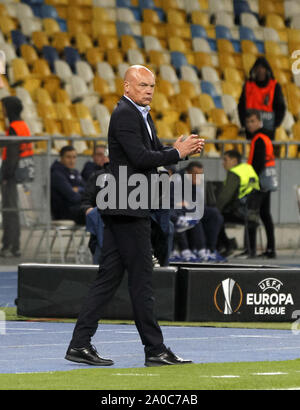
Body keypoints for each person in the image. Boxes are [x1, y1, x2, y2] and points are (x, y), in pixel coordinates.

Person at [65, 65, 204, 367]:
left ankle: (79, 344)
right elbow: (141, 158)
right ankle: (154, 349)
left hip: (127, 205)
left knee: (108, 279)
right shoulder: (126, 114)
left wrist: (181, 151)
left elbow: (152, 153)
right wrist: (176, 153)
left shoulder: (140, 113)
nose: (149, 90)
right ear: (126, 86)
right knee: (141, 280)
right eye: (143, 85)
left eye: (152, 85)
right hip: (128, 207)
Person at [170, 162, 225, 263]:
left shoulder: (196, 181)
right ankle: (197, 250)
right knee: (193, 214)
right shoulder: (177, 179)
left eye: (200, 174)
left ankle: (210, 249)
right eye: (196, 174)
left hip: (191, 208)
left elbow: (198, 201)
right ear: (188, 172)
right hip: (178, 209)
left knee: (214, 214)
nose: (199, 176)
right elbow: (170, 198)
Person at [0, 96, 33, 257]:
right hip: (23, 172)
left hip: (12, 175)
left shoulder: (13, 127)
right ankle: (14, 245)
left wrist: (5, 176)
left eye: (4, 107)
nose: (2, 111)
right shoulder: (23, 125)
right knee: (14, 211)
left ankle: (9, 246)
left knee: (10, 211)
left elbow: (12, 155)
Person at [216, 150, 261, 258]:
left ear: (234, 161)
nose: (223, 163)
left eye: (225, 160)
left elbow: (225, 196)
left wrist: (215, 208)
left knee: (216, 217)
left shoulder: (234, 172)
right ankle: (250, 250)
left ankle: (226, 245)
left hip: (241, 212)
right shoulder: (248, 168)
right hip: (254, 212)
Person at [246, 109, 277, 258]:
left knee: (252, 214)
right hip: (267, 181)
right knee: (265, 215)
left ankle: (251, 249)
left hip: (259, 183)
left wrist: (251, 181)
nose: (250, 124)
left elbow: (258, 163)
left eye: (252, 121)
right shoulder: (264, 137)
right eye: (248, 122)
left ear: (259, 121)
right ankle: (271, 248)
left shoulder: (259, 138)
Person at [238, 56, 286, 141]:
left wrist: (275, 125)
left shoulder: (274, 86)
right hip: (250, 129)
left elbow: (281, 107)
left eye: (263, 68)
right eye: (258, 68)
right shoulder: (248, 85)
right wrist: (244, 123)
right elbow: (241, 105)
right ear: (254, 70)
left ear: (267, 71)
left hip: (268, 129)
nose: (260, 71)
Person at [50, 145, 85, 225]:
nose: (72, 161)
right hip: (64, 212)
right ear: (61, 158)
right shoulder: (56, 174)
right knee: (97, 215)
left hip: (77, 208)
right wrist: (86, 196)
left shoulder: (75, 173)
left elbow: (87, 189)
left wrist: (79, 189)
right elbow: (73, 197)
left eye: (74, 157)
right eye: (68, 157)